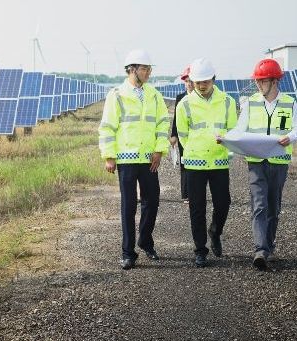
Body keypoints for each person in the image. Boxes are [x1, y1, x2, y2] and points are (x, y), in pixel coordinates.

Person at [99, 49, 170, 270]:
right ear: (132, 69)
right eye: (144, 68)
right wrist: (109, 156)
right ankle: (128, 252)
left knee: (153, 201)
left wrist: (159, 150)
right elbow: (108, 127)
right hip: (127, 159)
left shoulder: (155, 95)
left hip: (149, 158)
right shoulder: (117, 95)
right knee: (128, 206)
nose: (148, 72)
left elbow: (162, 124)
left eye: (149, 68)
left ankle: (145, 241)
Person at [232, 59, 297, 271]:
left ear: (274, 81)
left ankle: (268, 247)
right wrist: (226, 138)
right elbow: (239, 129)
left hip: (279, 163)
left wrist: (290, 137)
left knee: (273, 206)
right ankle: (260, 250)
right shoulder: (250, 103)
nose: (258, 85)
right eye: (257, 81)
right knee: (259, 205)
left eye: (262, 81)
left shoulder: (289, 103)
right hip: (256, 162)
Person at [175, 58, 237, 268]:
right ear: (192, 81)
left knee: (223, 203)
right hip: (194, 163)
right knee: (197, 209)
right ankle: (200, 250)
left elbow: (233, 129)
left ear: (213, 79)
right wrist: (195, 148)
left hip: (219, 161)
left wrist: (223, 141)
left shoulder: (227, 101)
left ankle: (215, 231)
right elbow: (182, 134)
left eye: (206, 81)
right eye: (198, 81)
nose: (202, 85)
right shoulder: (185, 104)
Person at [169, 65, 193, 205]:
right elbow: (176, 119)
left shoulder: (200, 98)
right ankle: (186, 195)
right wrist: (174, 135)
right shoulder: (180, 98)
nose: (189, 84)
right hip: (184, 137)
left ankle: (196, 192)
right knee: (184, 164)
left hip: (197, 137)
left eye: (191, 81)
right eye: (186, 81)